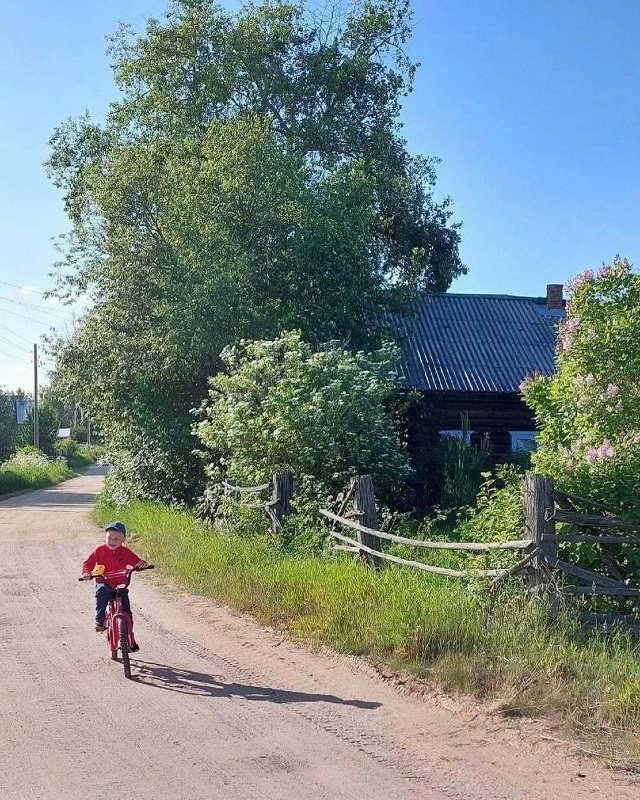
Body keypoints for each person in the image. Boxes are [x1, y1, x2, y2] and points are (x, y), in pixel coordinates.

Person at [81, 521, 147, 651]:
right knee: (101, 594)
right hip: (104, 583)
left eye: (116, 539)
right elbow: (87, 563)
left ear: (123, 540)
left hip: (120, 585)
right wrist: (86, 572)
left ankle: (130, 639)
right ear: (105, 537)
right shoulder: (99, 551)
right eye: (109, 538)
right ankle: (100, 620)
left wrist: (141, 564)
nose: (112, 541)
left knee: (127, 612)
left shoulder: (126, 552)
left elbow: (136, 561)